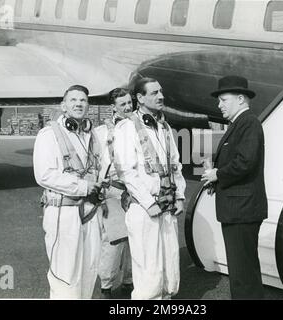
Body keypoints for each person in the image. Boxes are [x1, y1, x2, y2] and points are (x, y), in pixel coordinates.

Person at [113, 78, 186, 300]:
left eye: (161, 91)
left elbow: (176, 165)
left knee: (170, 268)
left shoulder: (164, 127)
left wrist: (180, 196)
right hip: (145, 209)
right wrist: (149, 203)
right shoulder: (127, 127)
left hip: (167, 206)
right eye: (154, 92)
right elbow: (126, 170)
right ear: (140, 98)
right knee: (149, 271)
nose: (161, 96)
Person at [33, 85, 104, 299]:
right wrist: (83, 186)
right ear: (63, 106)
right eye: (73, 100)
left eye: (83, 100)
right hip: (63, 213)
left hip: (91, 213)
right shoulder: (49, 134)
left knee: (89, 271)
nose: (78, 104)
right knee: (65, 277)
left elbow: (101, 167)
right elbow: (44, 174)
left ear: (88, 106)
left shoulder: (91, 135)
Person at [201, 75, 268, 299]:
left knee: (242, 273)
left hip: (242, 210)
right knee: (244, 270)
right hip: (240, 208)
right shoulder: (242, 123)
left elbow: (245, 162)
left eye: (223, 100)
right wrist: (216, 178)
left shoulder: (248, 123)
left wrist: (217, 174)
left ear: (240, 99)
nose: (219, 105)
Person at [94, 88, 133, 299]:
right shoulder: (102, 132)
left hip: (136, 191)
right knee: (113, 240)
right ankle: (106, 286)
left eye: (129, 103)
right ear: (113, 107)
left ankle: (129, 280)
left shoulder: (139, 128)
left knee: (135, 239)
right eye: (123, 104)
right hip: (113, 190)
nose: (128, 107)